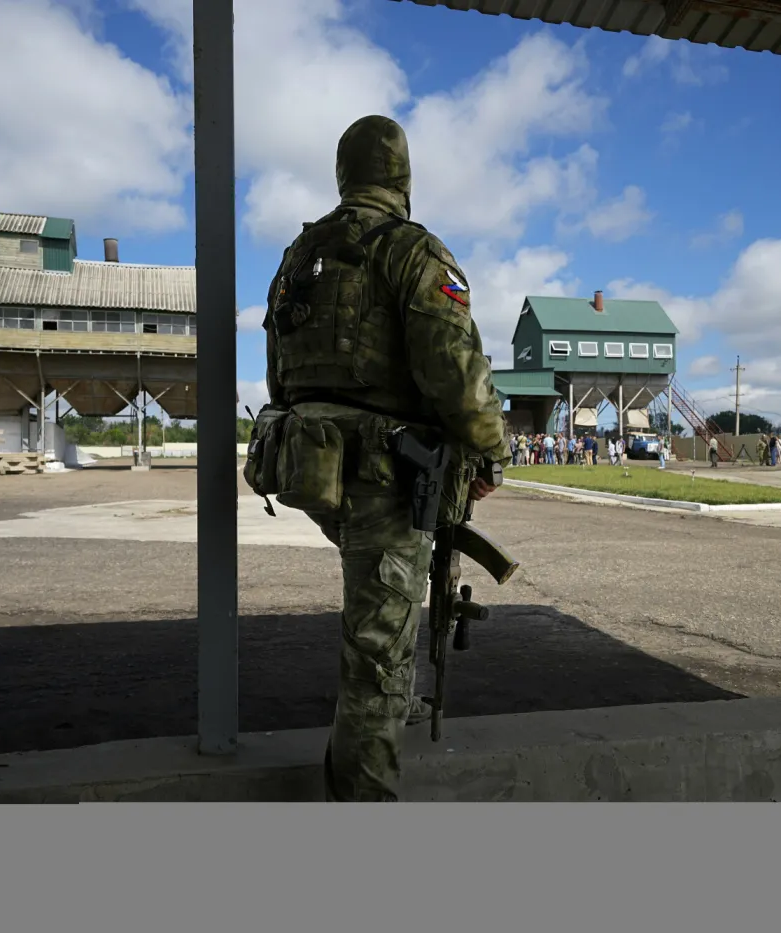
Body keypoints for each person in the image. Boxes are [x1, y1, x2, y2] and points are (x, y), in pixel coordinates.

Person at [260, 114, 510, 802]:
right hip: (383, 478)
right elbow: (456, 372)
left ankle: (369, 748)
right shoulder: (412, 251)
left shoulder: (299, 256)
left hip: (313, 467)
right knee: (378, 658)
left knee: (376, 631)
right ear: (402, 177)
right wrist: (491, 453)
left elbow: (279, 372)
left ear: (345, 173)